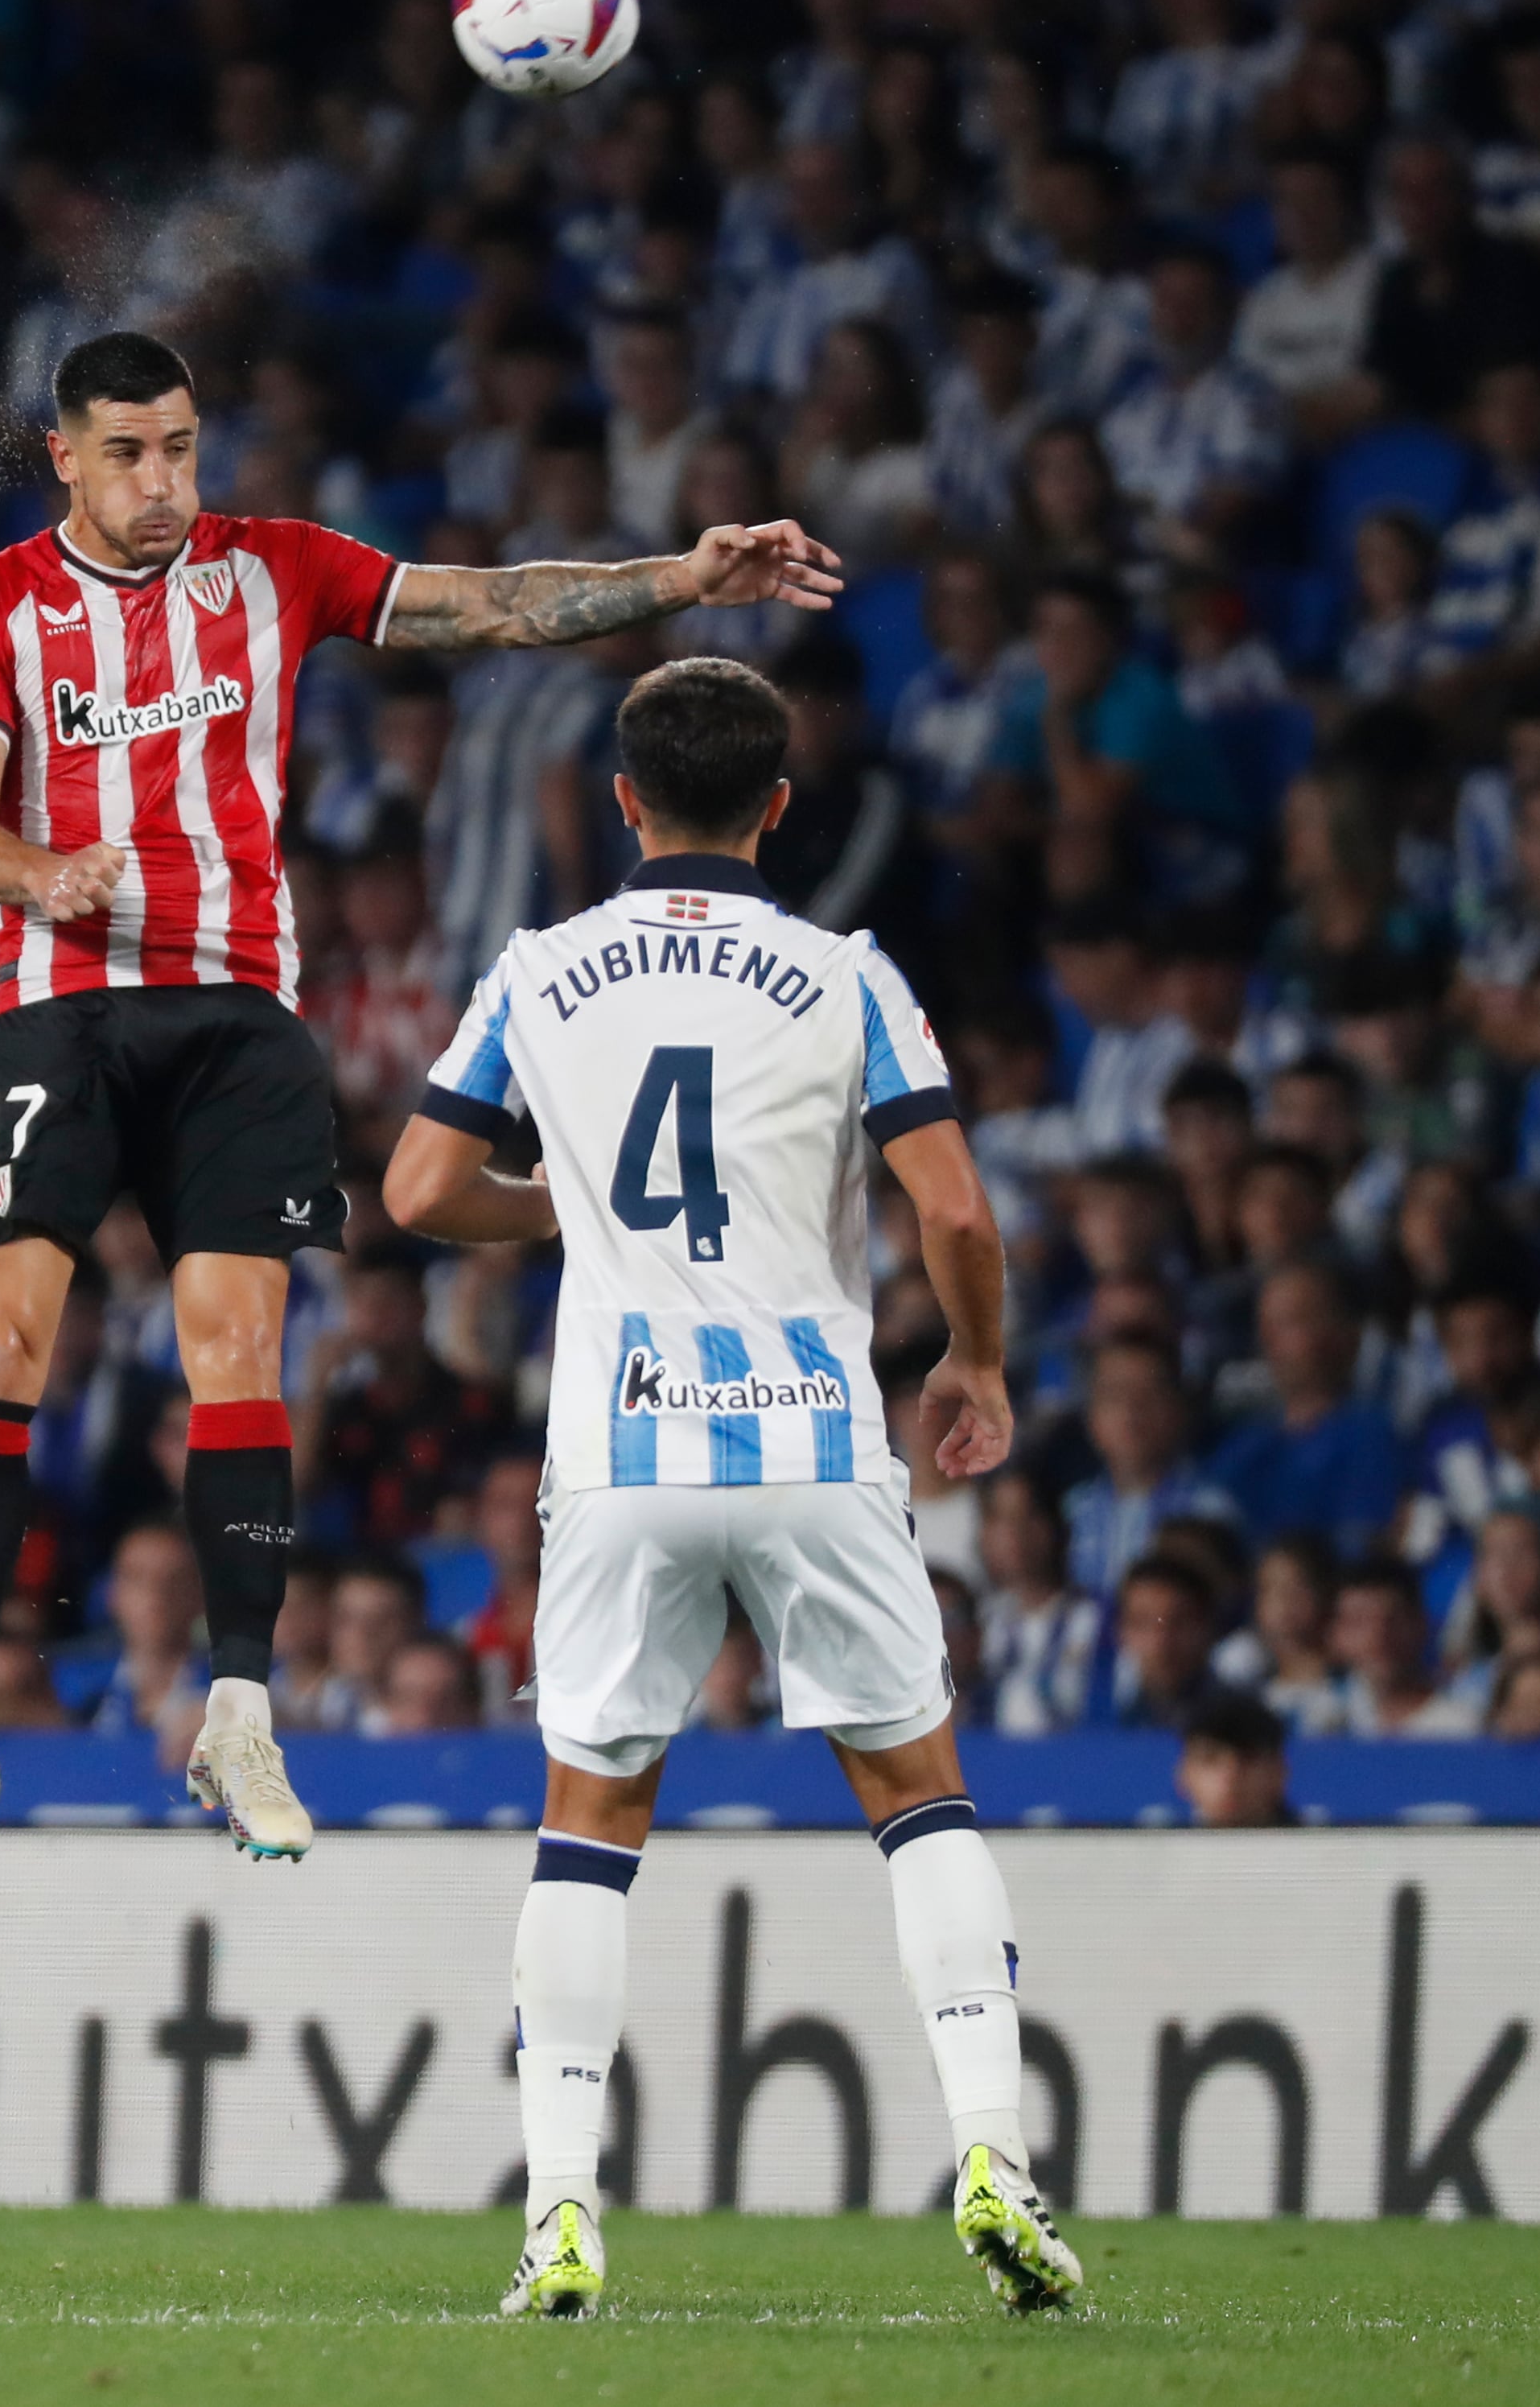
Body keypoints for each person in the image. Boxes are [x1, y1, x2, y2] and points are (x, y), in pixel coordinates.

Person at [0, 329, 843, 1882]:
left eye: (183, 447)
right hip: (51, 1006)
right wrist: (40, 872)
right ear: (64, 456)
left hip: (237, 1013)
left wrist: (683, 577)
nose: (163, 481)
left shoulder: (274, 568)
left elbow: (488, 604)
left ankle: (241, 1712)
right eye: (129, 453)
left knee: (242, 1353)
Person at [383, 655, 1081, 2319]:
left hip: (617, 1446)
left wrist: (570, 1210)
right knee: (914, 1788)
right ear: (779, 804)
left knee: (589, 1821)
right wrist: (971, 1365)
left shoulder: (535, 970)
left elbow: (414, 1186)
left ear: (619, 799)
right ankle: (990, 2147)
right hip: (810, 1442)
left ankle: (557, 2206)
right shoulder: (845, 974)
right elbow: (958, 1216)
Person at [1176, 1692, 1295, 1827]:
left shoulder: (1317, 1843)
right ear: (1184, 1774)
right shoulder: (1156, 1845)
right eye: (1210, 1759)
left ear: (1279, 1771)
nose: (1231, 1776)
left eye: (1248, 1758)